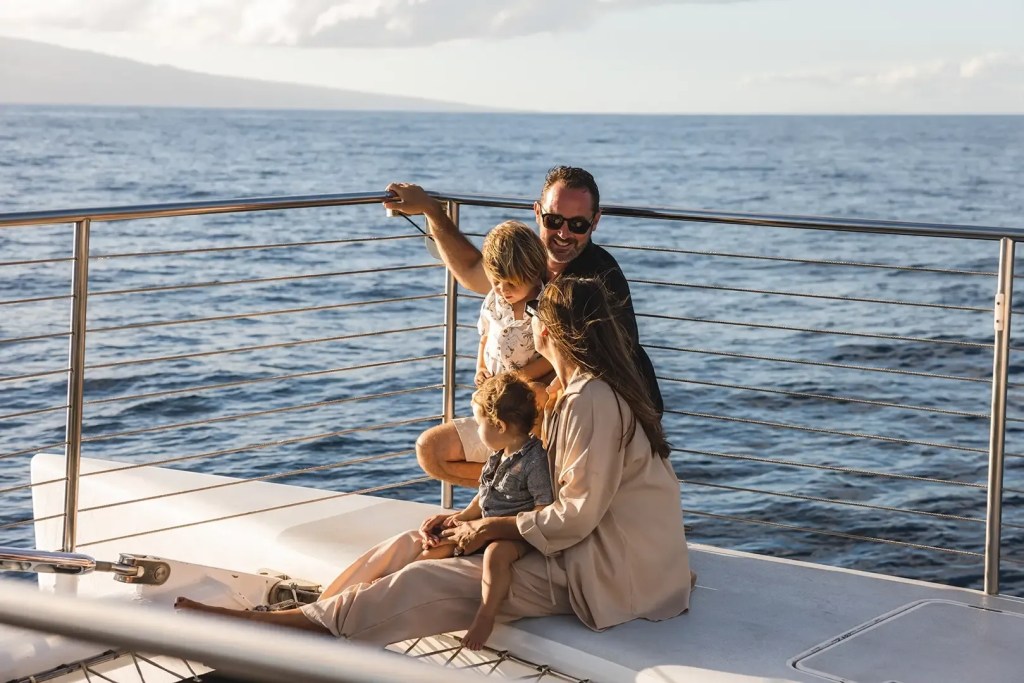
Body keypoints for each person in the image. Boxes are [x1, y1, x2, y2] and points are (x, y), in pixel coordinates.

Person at [175, 276, 692, 646]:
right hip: (576, 544)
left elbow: (576, 514)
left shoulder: (592, 400)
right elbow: (526, 477)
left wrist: (491, 531)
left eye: (536, 316)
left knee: (429, 580)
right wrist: (470, 518)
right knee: (413, 541)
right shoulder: (567, 391)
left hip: (608, 568)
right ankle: (305, 617)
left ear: (551, 332)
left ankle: (300, 632)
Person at [385, 166, 663, 488]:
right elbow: (475, 271)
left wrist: (517, 387)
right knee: (432, 451)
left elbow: (595, 375)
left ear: (595, 222)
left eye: (578, 224)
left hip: (579, 426)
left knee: (536, 429)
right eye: (554, 220)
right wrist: (431, 211)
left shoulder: (595, 283)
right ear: (537, 212)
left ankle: (524, 497)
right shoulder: (527, 265)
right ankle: (513, 491)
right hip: (519, 417)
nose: (563, 233)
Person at [417, 372, 552, 649]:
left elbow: (543, 508)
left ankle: (486, 616)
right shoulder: (497, 454)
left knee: (495, 555)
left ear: (499, 425)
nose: (477, 431)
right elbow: (485, 494)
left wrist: (500, 527)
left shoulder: (534, 460)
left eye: (479, 424)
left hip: (515, 534)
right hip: (487, 523)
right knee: (435, 549)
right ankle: (419, 595)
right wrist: (461, 517)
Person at [450, 220, 551, 464]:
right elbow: (485, 337)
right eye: (496, 282)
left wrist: (516, 379)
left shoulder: (545, 306)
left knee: (525, 453)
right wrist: (481, 369)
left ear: (534, 273)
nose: (502, 289)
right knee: (494, 443)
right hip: (495, 392)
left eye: (512, 284)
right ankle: (494, 491)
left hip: (525, 396)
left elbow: (550, 358)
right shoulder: (493, 301)